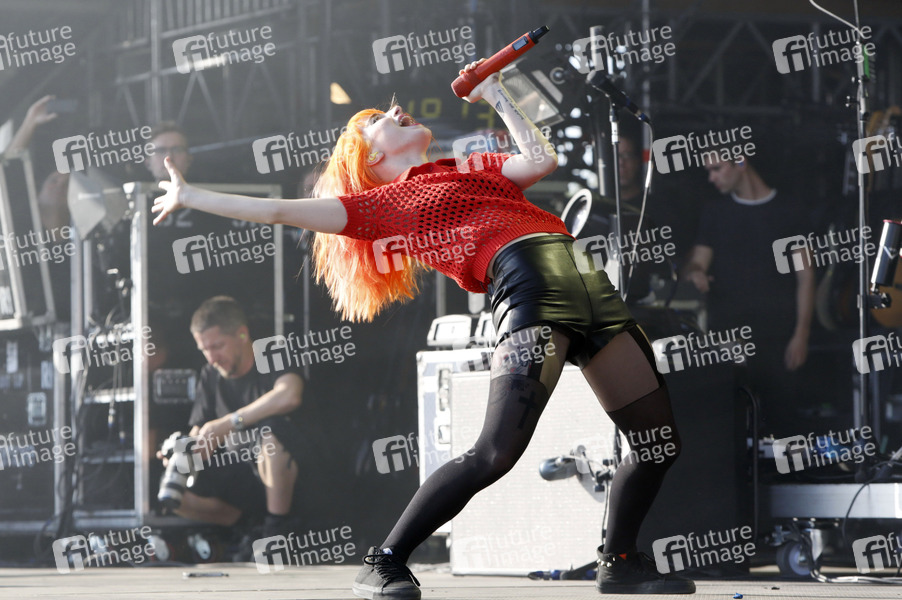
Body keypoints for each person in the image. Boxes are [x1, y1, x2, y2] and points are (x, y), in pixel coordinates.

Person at [151, 60, 694, 597]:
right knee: (495, 452)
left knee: (657, 442)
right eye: (377, 119)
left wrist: (495, 91)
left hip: (587, 282)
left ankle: (619, 561)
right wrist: (190, 195)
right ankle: (384, 560)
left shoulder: (469, 170)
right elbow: (277, 212)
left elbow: (540, 159)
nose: (395, 110)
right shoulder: (382, 205)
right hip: (528, 290)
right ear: (371, 155)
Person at [682, 156, 815, 433]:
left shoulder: (789, 210)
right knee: (731, 421)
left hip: (778, 336)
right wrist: (695, 272)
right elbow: (698, 263)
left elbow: (805, 276)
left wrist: (801, 334)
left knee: (782, 418)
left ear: (740, 162)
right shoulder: (715, 211)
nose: (711, 178)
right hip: (729, 335)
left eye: (717, 169)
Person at [157, 295, 305, 540]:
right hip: (242, 476)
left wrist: (229, 423)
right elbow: (198, 432)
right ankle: (248, 529)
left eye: (217, 346)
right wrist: (181, 454)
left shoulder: (273, 353)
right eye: (205, 350)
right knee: (175, 494)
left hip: (296, 473)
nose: (212, 358)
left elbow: (289, 395)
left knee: (271, 434)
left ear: (242, 335)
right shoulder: (210, 374)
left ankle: (278, 529)